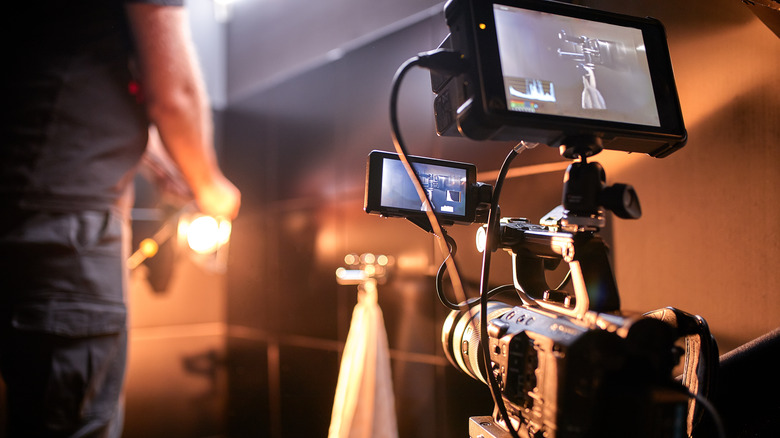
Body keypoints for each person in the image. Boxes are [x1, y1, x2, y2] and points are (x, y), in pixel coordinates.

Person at [0, 1, 240, 437]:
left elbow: (63, 65)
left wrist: (155, 156)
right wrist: (212, 188)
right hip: (66, 228)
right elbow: (173, 95)